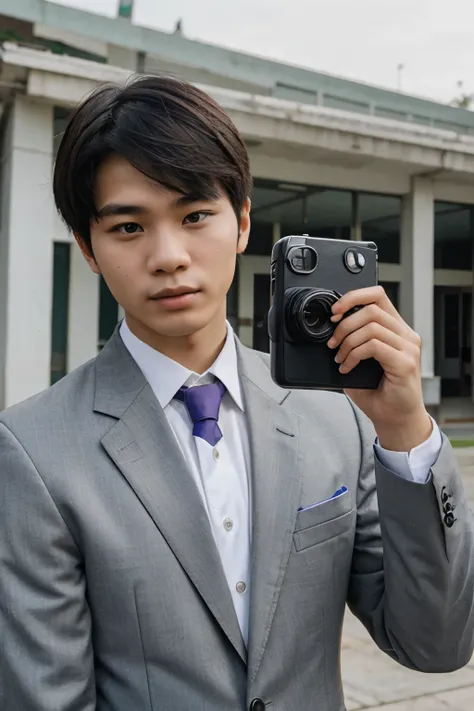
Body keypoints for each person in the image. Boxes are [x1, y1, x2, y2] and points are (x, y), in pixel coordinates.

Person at [0, 75, 473, 711]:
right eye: (129, 228)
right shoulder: (32, 454)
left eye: (195, 216)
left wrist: (407, 435)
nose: (169, 256)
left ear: (244, 221)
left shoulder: (337, 416)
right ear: (88, 248)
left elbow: (436, 646)